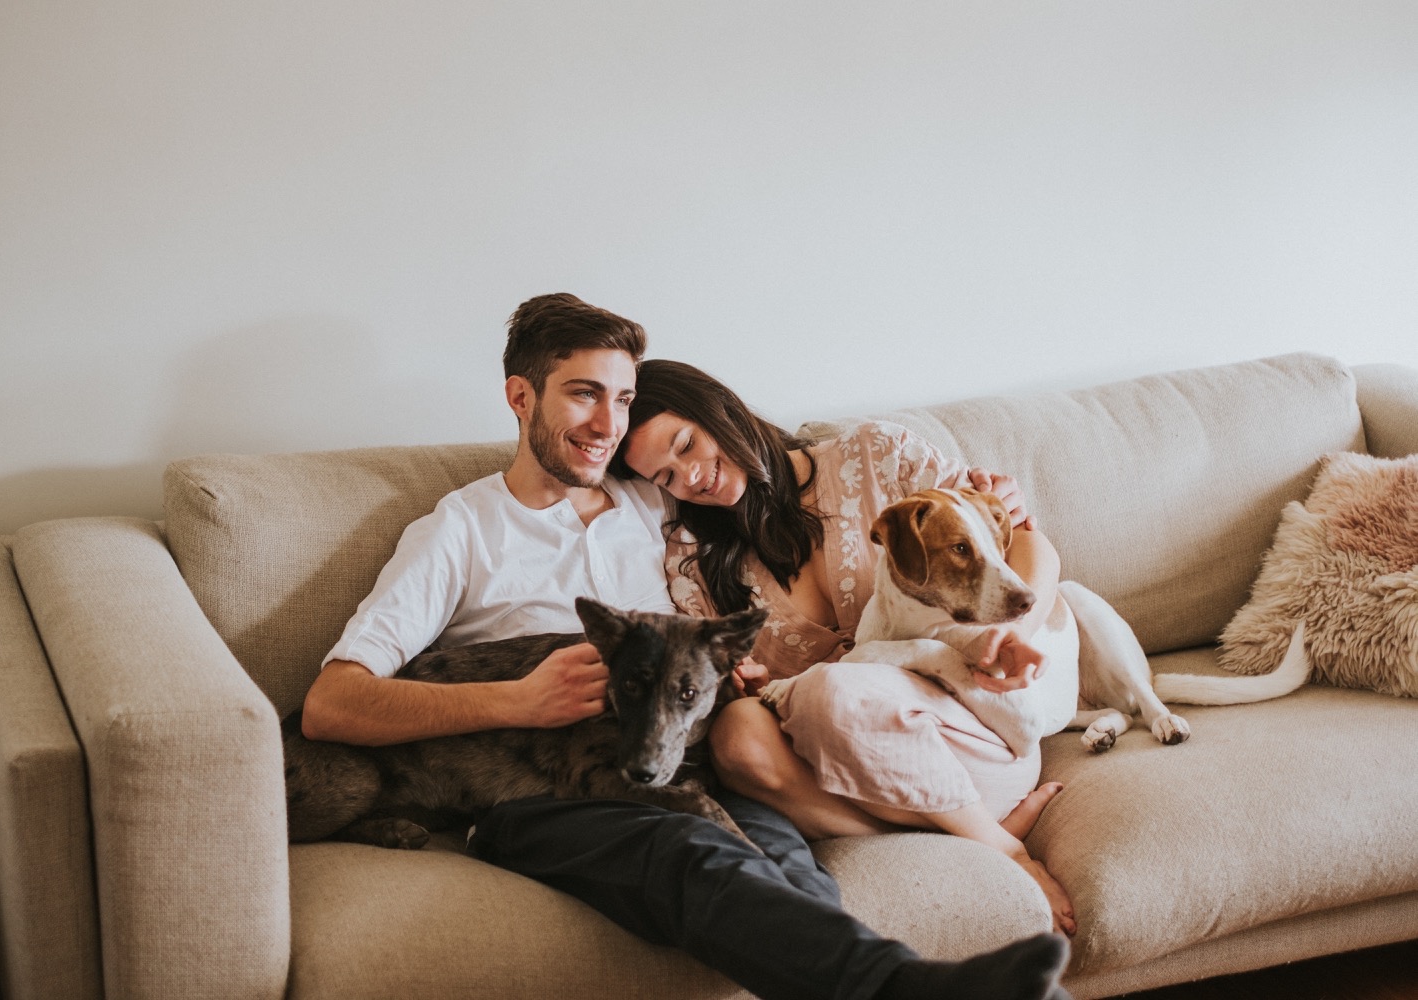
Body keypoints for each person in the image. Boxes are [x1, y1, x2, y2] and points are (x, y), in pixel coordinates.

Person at [303, 294, 1072, 1000]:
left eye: (623, 398)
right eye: (582, 393)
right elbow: (330, 704)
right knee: (696, 857)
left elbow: (763, 487)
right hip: (538, 785)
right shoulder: (458, 531)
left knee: (790, 869)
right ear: (520, 397)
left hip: (683, 749)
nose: (607, 422)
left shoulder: (654, 504)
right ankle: (912, 991)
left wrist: (992, 500)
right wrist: (517, 699)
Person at [612, 359, 1076, 936]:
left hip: (969, 729)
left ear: (721, 410)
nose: (692, 477)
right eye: (666, 478)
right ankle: (984, 831)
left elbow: (1029, 545)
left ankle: (1004, 851)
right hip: (862, 767)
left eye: (687, 444)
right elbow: (731, 689)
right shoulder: (692, 561)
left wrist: (1006, 641)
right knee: (739, 737)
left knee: (834, 689)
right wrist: (744, 682)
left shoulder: (876, 454)